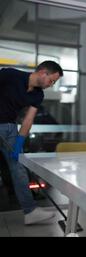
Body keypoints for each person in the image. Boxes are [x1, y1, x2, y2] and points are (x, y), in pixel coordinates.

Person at [0, 60, 63, 225]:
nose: (51, 84)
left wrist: (19, 142)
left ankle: (30, 211)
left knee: (18, 167)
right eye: (52, 80)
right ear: (43, 72)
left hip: (9, 128)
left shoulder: (38, 95)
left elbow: (28, 120)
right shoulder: (10, 75)